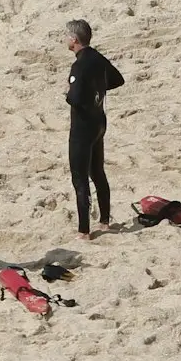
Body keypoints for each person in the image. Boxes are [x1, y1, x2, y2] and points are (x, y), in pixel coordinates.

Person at [64, 20, 124, 240]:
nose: (65, 39)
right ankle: (105, 221)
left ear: (74, 39)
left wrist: (71, 92)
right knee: (98, 172)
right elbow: (117, 79)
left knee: (80, 179)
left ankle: (83, 231)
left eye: (66, 36)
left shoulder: (79, 65)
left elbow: (75, 98)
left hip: (82, 128)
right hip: (99, 122)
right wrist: (98, 90)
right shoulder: (97, 57)